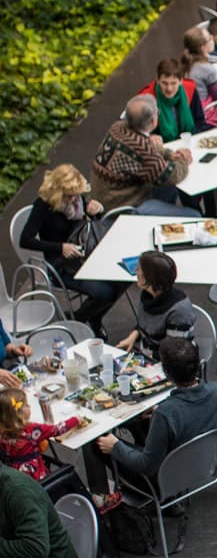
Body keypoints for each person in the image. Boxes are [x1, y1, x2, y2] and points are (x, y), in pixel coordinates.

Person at [20, 164, 119, 329]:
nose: (74, 199)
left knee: (119, 282)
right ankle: (80, 320)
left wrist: (97, 211)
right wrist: (60, 247)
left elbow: (90, 225)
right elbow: (25, 240)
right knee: (106, 292)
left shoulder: (77, 201)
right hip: (60, 264)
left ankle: (86, 318)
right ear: (58, 192)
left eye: (77, 195)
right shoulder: (43, 206)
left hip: (83, 255)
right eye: (69, 196)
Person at [90, 97, 193, 212]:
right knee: (194, 215)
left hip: (101, 199)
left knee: (169, 191)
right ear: (153, 120)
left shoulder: (117, 127)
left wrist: (168, 154)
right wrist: (183, 159)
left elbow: (144, 147)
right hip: (121, 207)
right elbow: (173, 175)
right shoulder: (144, 152)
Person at [113, 250, 196, 361]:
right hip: (148, 358)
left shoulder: (179, 311)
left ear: (150, 277)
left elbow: (173, 354)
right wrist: (133, 336)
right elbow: (145, 324)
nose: (135, 271)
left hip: (171, 366)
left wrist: (141, 364)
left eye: (139, 269)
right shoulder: (148, 296)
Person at [141, 55, 210, 143]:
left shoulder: (190, 89)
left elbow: (200, 121)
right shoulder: (146, 98)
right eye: (164, 83)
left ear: (181, 81)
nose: (169, 89)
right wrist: (150, 136)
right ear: (157, 80)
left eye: (173, 83)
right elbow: (140, 132)